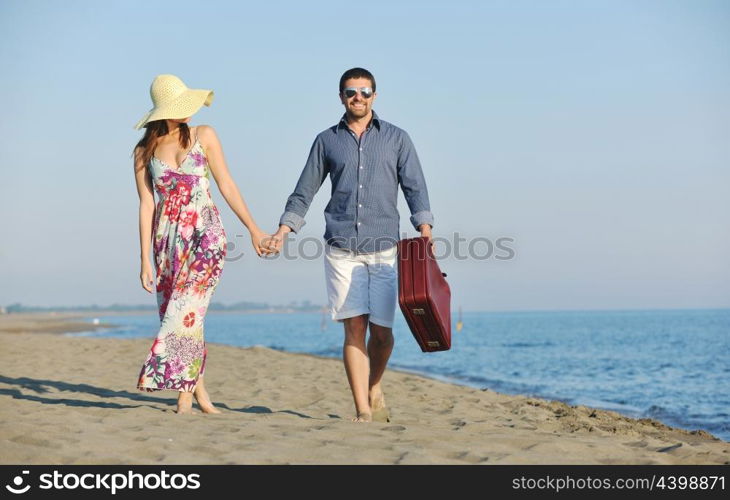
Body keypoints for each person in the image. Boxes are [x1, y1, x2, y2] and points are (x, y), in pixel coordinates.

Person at [268, 68, 434, 422]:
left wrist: (424, 225)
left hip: (386, 247)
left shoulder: (397, 138)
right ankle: (362, 409)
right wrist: (284, 230)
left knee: (383, 333)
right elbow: (304, 190)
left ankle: (374, 384)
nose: (358, 97)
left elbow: (414, 186)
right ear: (341, 96)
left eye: (364, 91)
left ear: (375, 95)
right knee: (354, 326)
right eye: (350, 92)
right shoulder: (327, 141)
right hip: (341, 246)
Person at [132, 74, 272, 414]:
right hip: (166, 242)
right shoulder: (143, 151)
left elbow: (226, 184)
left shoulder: (203, 135)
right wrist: (144, 260)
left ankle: (182, 394)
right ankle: (198, 392)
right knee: (186, 315)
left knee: (186, 308)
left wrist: (254, 229)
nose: (187, 111)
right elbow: (146, 205)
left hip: (205, 235)